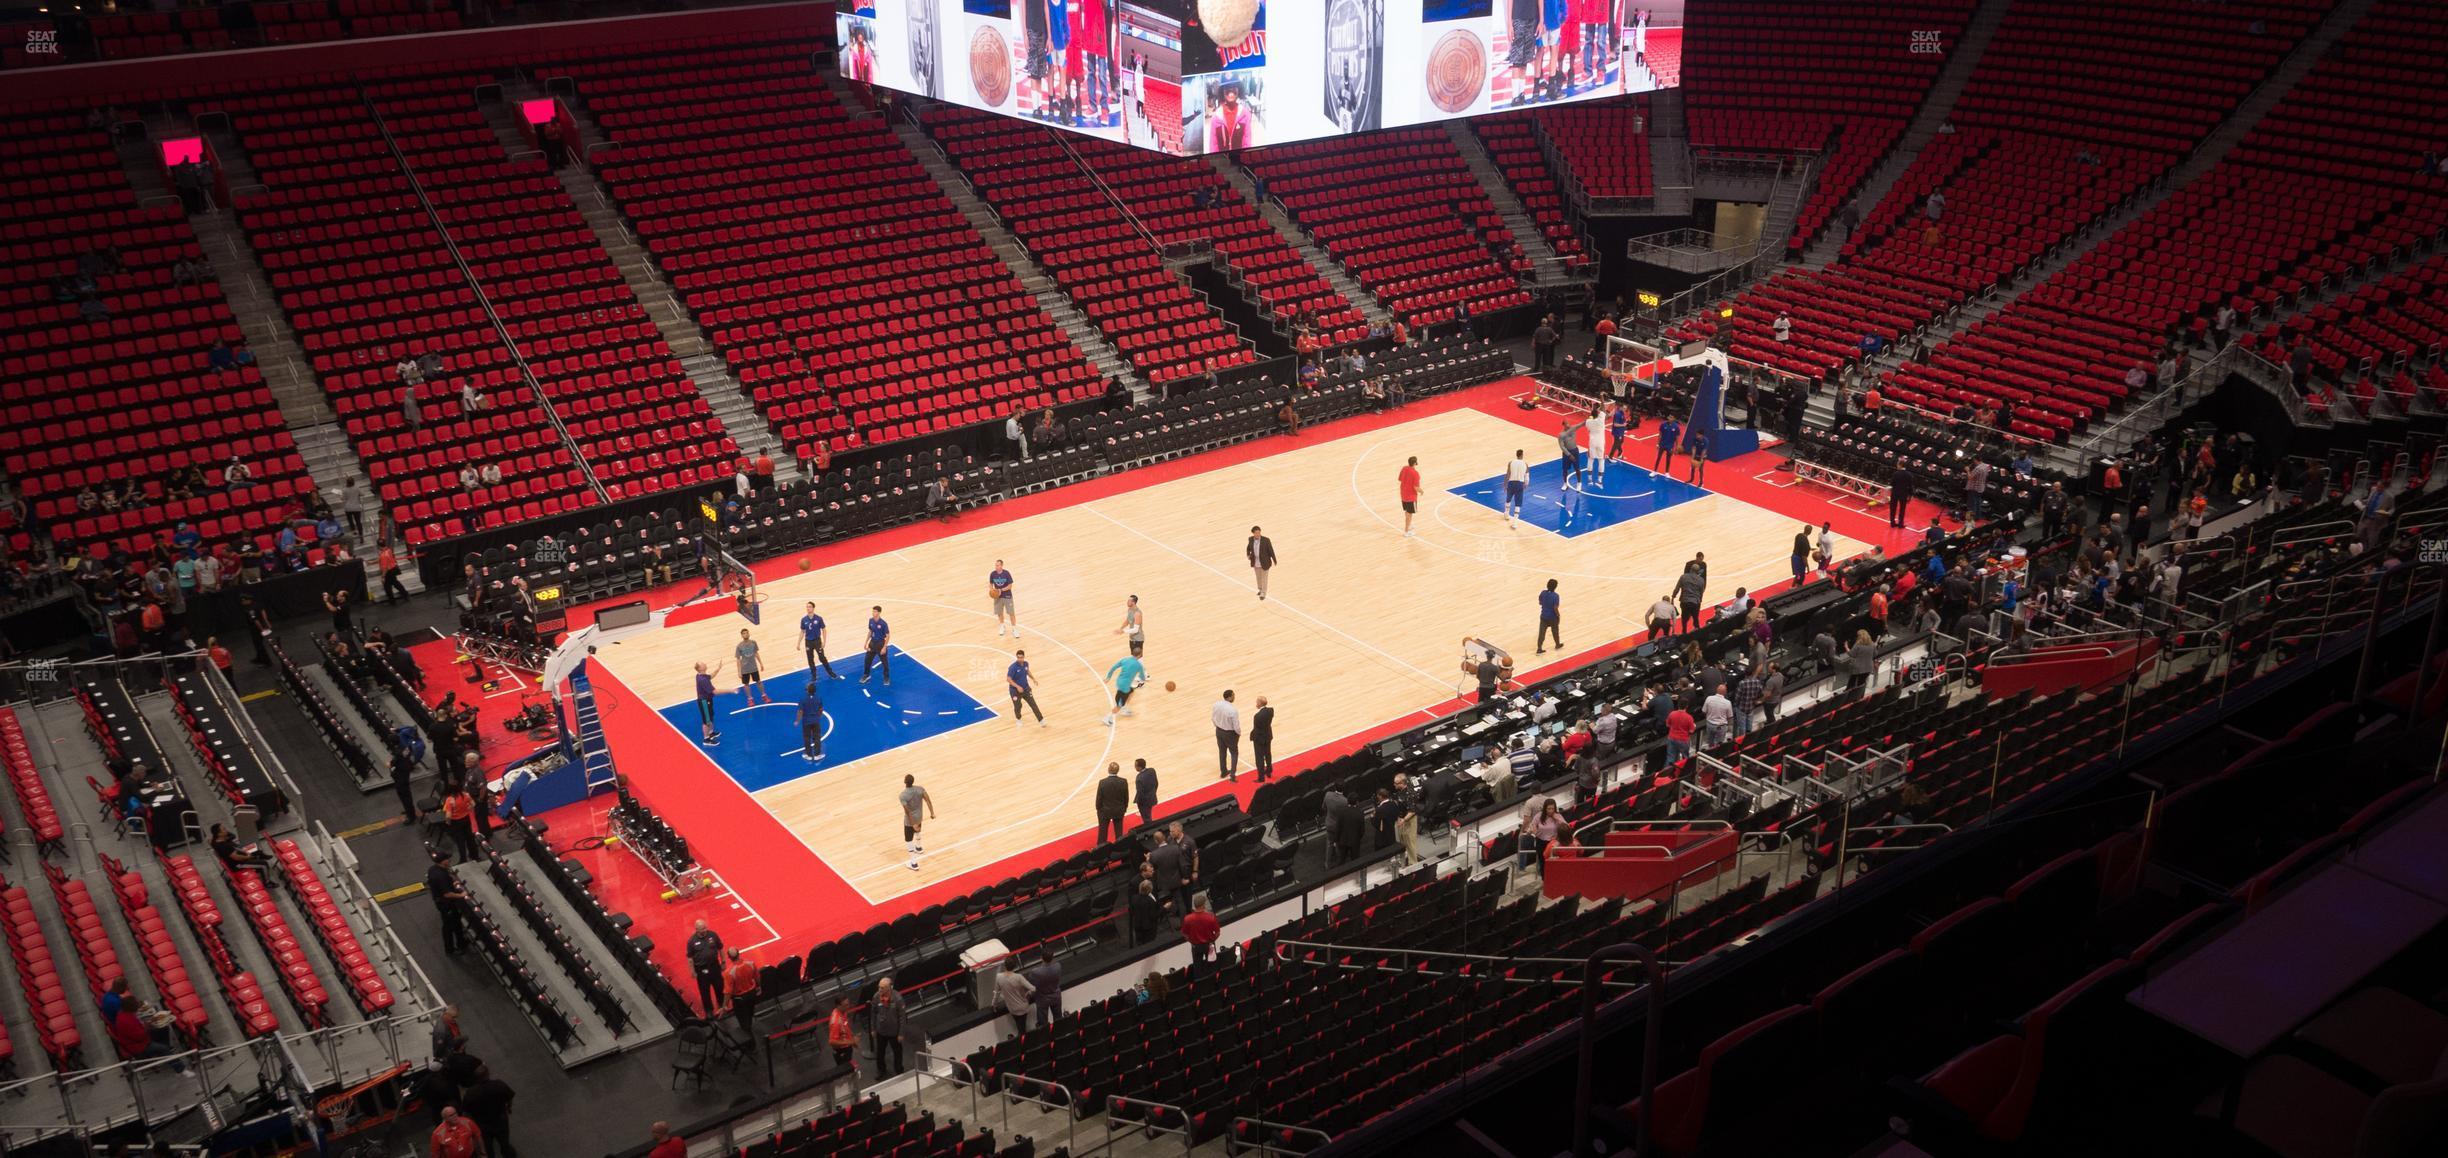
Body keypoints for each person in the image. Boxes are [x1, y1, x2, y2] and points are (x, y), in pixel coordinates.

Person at [461, 1065, 516, 1158]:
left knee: (487, 1146)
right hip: (500, 1120)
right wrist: (509, 1107)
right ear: (488, 1074)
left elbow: (466, 1110)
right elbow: (509, 1098)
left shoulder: (471, 1093)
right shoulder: (499, 1085)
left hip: (482, 1124)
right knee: (504, 1142)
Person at [427, 851, 471, 955]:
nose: (449, 860)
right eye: (447, 859)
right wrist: (461, 895)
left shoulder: (433, 869)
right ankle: (450, 949)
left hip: (441, 901)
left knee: (456, 922)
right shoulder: (441, 875)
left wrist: (451, 883)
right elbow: (447, 894)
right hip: (446, 905)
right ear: (443, 861)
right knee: (448, 927)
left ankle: (461, 942)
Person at [869, 978, 910, 1077]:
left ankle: (899, 1069)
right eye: (879, 987)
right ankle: (881, 1070)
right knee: (880, 1052)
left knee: (897, 1052)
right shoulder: (876, 996)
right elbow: (873, 1014)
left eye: (882, 988)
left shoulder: (898, 999)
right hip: (881, 1031)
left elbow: (902, 1018)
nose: (879, 989)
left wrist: (901, 1033)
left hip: (894, 1032)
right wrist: (873, 1029)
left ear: (889, 988)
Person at [685, 919, 725, 1016]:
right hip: (701, 969)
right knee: (704, 991)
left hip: (714, 966)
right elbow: (690, 958)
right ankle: (709, 1010)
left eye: (705, 928)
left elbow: (720, 948)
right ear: (696, 930)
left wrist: (723, 961)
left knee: (719, 987)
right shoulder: (691, 941)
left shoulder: (713, 935)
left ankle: (722, 1005)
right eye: (702, 929)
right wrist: (692, 971)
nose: (704, 930)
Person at [723, 947, 761, 1040]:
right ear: (739, 953)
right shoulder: (751, 963)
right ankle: (749, 1024)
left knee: (743, 1019)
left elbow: (728, 991)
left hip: (740, 999)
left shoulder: (728, 973)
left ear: (729, 958)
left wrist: (725, 1005)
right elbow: (757, 977)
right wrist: (759, 987)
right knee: (750, 1012)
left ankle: (751, 1042)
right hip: (752, 994)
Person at [1102, 649, 1146, 725]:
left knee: (1131, 691)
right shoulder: (1139, 665)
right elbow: (1142, 678)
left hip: (1119, 682)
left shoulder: (1125, 660)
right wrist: (1140, 680)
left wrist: (1108, 677)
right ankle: (1107, 718)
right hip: (1124, 687)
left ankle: (1124, 708)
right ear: (1139, 655)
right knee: (1119, 705)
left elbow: (1113, 667)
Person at [993, 958, 1035, 1037]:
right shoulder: (1019, 977)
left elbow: (996, 993)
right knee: (1022, 1027)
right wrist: (1028, 994)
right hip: (1023, 1007)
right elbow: (1033, 989)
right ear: (1014, 967)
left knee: (1020, 1027)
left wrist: (994, 1004)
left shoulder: (999, 977)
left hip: (1012, 1009)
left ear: (1005, 966)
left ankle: (1022, 1040)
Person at [441, 784, 481, 860]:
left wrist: (448, 822)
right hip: (466, 819)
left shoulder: (450, 800)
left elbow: (448, 816)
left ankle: (463, 859)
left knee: (460, 842)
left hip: (456, 822)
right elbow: (473, 804)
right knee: (470, 839)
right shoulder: (466, 795)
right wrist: (467, 809)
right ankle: (475, 856)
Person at [692, 660, 725, 745]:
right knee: (706, 720)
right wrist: (730, 690)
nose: (705, 664)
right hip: (704, 702)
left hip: (708, 700)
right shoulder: (703, 680)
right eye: (703, 664)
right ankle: (706, 739)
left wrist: (718, 669)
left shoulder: (701, 675)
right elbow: (715, 692)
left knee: (710, 716)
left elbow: (711, 676)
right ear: (700, 668)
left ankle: (711, 733)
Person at [734, 628, 769, 707]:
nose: (745, 634)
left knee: (759, 682)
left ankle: (764, 695)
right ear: (741, 635)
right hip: (744, 669)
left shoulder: (753, 643)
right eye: (744, 633)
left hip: (753, 667)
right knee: (746, 684)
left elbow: (756, 653)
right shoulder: (739, 646)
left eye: (747, 633)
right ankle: (750, 699)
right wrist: (739, 671)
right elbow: (738, 660)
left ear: (749, 634)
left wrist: (761, 663)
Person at [799, 602, 836, 678]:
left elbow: (824, 629)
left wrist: (824, 641)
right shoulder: (804, 619)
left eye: (809, 607)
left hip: (817, 641)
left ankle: (830, 672)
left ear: (813, 608)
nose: (808, 608)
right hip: (808, 642)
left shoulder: (818, 618)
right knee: (810, 659)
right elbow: (802, 631)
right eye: (807, 607)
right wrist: (798, 643)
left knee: (822, 657)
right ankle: (814, 675)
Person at [1095, 762, 1129, 843]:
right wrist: (1124, 808)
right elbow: (1126, 797)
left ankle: (1100, 849)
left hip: (1105, 811)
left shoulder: (1102, 782)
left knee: (1103, 832)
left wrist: (1098, 809)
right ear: (1118, 770)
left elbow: (1099, 798)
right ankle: (1120, 847)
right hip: (1119, 810)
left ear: (1108, 769)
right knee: (1119, 832)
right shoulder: (1123, 781)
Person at [1181, 894, 1221, 964]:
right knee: (1212, 966)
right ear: (1203, 904)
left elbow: (1185, 935)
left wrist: (1192, 943)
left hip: (1196, 946)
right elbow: (1217, 933)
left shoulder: (1187, 919)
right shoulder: (1211, 917)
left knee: (1198, 968)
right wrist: (1212, 941)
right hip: (1209, 944)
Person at [1211, 689, 1240, 780]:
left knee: (1222, 752)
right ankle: (1232, 774)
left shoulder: (1216, 704)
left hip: (1219, 731)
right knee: (1234, 753)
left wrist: (1217, 727)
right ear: (1229, 697)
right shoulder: (1233, 710)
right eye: (1233, 695)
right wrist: (1238, 733)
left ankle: (1223, 772)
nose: (1234, 697)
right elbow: (1236, 726)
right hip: (1230, 733)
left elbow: (1213, 718)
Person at [825, 995, 858, 1071]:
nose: (848, 1007)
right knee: (845, 1071)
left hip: (847, 1046)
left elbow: (845, 1026)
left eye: (848, 1004)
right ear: (838, 1006)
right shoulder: (836, 1022)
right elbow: (831, 1042)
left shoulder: (843, 1012)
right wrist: (850, 1041)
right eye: (846, 1005)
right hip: (842, 1051)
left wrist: (852, 1038)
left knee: (850, 1066)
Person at [860, 605, 892, 684]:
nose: (873, 613)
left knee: (885, 663)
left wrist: (884, 647)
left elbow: (888, 636)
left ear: (879, 612)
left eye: (875, 611)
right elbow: (870, 632)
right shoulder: (871, 620)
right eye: (873, 611)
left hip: (881, 644)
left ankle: (886, 678)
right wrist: (866, 643)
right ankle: (866, 675)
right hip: (872, 643)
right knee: (867, 660)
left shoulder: (883, 623)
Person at [988, 559, 1019, 636]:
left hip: (1007, 596)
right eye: (995, 565)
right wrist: (992, 590)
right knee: (999, 612)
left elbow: (1010, 586)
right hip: (998, 597)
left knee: (1011, 613)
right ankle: (1002, 626)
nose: (996, 567)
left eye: (998, 565)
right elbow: (991, 583)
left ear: (1001, 566)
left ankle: (1014, 628)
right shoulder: (992, 574)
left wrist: (1000, 590)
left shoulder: (1006, 573)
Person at [1128, 879, 1164, 945]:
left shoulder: (1134, 898)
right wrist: (1164, 908)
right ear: (1150, 890)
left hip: (1138, 926)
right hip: (1149, 928)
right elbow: (1153, 916)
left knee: (1140, 946)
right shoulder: (1150, 901)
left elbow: (1131, 911)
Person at [1245, 526, 1277, 600]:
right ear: (1253, 533)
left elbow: (1271, 550)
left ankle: (1263, 592)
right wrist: (1248, 555)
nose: (1258, 534)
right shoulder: (1250, 539)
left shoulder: (1266, 540)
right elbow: (1248, 548)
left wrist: (1274, 559)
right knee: (1258, 577)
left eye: (1259, 532)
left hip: (1265, 562)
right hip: (1255, 562)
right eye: (1256, 533)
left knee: (1264, 578)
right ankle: (1260, 589)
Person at [1248, 696, 1275, 781]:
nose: (1256, 704)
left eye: (1257, 702)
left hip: (1260, 739)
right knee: (1268, 754)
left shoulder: (1257, 716)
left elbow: (1257, 730)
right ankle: (1269, 771)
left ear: (1260, 703)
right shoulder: (1271, 711)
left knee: (1259, 758)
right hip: (1268, 736)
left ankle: (1261, 777)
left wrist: (1252, 736)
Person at [796, 685, 825, 763]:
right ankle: (817, 755)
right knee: (817, 737)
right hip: (815, 721)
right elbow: (821, 709)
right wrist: (819, 716)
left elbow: (800, 711)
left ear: (807, 690)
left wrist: (797, 721)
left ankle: (808, 755)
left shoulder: (803, 699)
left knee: (807, 737)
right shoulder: (818, 698)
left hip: (806, 721)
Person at [1503, 449, 1530, 525]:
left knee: (1508, 499)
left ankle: (1506, 514)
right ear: (1522, 455)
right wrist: (1526, 484)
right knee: (1518, 503)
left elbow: (1508, 474)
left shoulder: (1511, 462)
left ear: (1516, 455)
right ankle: (1515, 522)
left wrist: (1505, 484)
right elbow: (1527, 477)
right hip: (1520, 484)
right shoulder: (1525, 464)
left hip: (1511, 483)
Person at [1114, 594, 1146, 660]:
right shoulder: (1130, 609)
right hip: (1132, 638)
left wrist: (1123, 631)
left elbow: (1136, 630)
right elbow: (1128, 620)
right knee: (1134, 658)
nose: (1127, 602)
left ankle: (1143, 670)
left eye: (1129, 601)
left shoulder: (1138, 613)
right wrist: (1120, 628)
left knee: (1139, 659)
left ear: (1133, 602)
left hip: (1138, 639)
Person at [1396, 456, 1422, 536]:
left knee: (1407, 512)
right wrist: (1421, 491)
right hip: (1411, 496)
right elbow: (1416, 487)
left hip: (1403, 494)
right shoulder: (1415, 473)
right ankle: (1407, 531)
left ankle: (1409, 525)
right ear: (1415, 463)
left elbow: (1399, 479)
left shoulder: (1404, 468)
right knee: (1409, 513)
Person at [1848, 629, 1878, 697]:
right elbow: (1875, 654)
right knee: (1861, 683)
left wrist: (1846, 647)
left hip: (1858, 667)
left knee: (1852, 680)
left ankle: (1850, 696)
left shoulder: (1858, 644)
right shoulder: (1872, 644)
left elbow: (1852, 654)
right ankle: (1860, 697)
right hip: (1868, 668)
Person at [1536, 578, 1562, 654]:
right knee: (1555, 631)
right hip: (1552, 617)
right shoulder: (1556, 596)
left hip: (1543, 616)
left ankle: (1539, 648)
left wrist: (1542, 603)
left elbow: (1540, 601)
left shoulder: (1543, 592)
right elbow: (1555, 608)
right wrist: (1558, 615)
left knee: (1542, 633)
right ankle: (1557, 644)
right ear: (1555, 587)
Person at [1133, 758, 1160, 827]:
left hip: (1144, 803)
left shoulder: (1139, 778)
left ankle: (1151, 830)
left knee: (1147, 820)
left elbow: (1140, 793)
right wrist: (1153, 793)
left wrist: (1140, 803)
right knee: (1148, 815)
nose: (1134, 767)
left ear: (1139, 767)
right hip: (1152, 797)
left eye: (1135, 765)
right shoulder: (1152, 770)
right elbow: (1156, 783)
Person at [1889, 463, 1915, 528]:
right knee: (1902, 509)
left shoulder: (1896, 474)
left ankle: (1892, 523)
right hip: (1904, 494)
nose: (1897, 466)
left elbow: (1892, 483)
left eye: (1897, 465)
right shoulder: (1909, 475)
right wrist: (1911, 495)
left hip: (1895, 493)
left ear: (1900, 465)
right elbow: (1910, 486)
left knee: (1893, 508)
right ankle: (1900, 524)